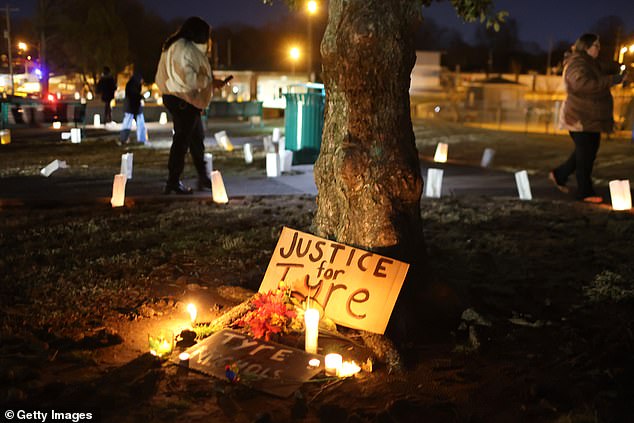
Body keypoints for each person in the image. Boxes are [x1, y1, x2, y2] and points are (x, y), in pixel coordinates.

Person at [550, 33, 630, 203]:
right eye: (596, 46)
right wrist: (612, 80)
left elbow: (604, 69)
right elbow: (582, 85)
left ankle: (558, 174)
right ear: (586, 47)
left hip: (589, 117)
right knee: (586, 156)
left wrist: (618, 72)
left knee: (584, 153)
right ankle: (585, 192)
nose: (599, 49)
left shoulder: (589, 63)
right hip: (579, 118)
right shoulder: (576, 63)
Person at [155, 16, 227, 195]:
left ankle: (201, 177)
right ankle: (173, 181)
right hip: (184, 100)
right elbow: (188, 79)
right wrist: (209, 82)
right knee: (183, 140)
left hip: (180, 99)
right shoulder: (185, 49)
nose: (209, 40)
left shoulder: (175, 46)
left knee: (195, 139)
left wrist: (210, 83)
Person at [119, 72, 147, 145]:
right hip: (132, 106)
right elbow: (134, 95)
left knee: (128, 123)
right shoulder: (134, 85)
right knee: (138, 124)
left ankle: (124, 139)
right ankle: (141, 139)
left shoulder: (131, 83)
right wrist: (141, 97)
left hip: (131, 106)